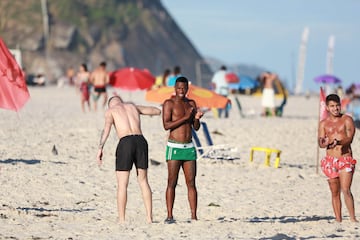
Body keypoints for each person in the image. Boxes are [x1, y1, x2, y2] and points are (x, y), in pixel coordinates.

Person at [96, 95, 161, 223]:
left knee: (122, 184)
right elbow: (155, 111)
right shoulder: (132, 106)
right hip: (141, 141)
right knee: (143, 181)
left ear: (110, 105)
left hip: (126, 142)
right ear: (121, 101)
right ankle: (149, 217)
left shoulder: (111, 111)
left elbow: (106, 130)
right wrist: (161, 109)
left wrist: (100, 148)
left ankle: (122, 219)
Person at [162, 76, 204, 223]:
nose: (181, 91)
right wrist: (186, 117)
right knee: (172, 182)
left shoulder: (191, 103)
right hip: (174, 147)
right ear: (175, 88)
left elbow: (196, 128)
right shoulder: (169, 103)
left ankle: (193, 216)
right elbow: (166, 125)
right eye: (179, 88)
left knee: (191, 183)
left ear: (187, 89)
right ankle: (169, 215)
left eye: (184, 88)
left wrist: (197, 118)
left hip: (189, 147)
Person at [318, 93, 358, 222]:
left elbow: (349, 139)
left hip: (345, 159)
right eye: (332, 106)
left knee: (345, 189)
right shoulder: (323, 123)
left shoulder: (347, 120)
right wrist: (323, 143)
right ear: (327, 108)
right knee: (334, 191)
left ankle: (353, 218)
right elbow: (320, 142)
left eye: (337, 105)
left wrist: (339, 142)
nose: (335, 108)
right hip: (330, 160)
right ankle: (338, 219)